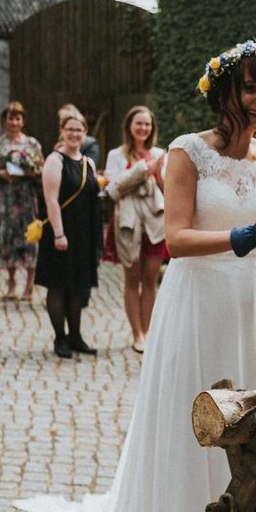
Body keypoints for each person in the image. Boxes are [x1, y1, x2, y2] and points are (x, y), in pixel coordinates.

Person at [16, 38, 256, 512]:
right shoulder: (186, 152)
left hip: (244, 303)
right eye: (249, 87)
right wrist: (236, 238)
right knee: (190, 424)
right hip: (194, 301)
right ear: (225, 90)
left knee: (250, 426)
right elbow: (174, 237)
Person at [36, 111, 102, 358]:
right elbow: (51, 200)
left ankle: (76, 336)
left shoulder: (89, 163)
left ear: (85, 133)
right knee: (59, 285)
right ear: (62, 132)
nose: (74, 134)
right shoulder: (55, 160)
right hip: (61, 231)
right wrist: (58, 234)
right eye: (70, 129)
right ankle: (60, 338)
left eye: (79, 130)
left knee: (79, 286)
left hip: (84, 232)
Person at [104, 105, 166, 353]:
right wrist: (142, 171)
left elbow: (166, 187)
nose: (143, 128)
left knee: (150, 278)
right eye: (139, 123)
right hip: (128, 221)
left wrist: (156, 174)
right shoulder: (116, 155)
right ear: (129, 126)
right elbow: (113, 191)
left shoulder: (159, 154)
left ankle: (148, 331)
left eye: (147, 124)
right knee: (132, 278)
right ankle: (136, 333)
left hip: (154, 219)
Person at [0, 101, 45, 300]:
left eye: (18, 118)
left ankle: (30, 284)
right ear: (4, 121)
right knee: (7, 237)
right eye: (10, 118)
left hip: (26, 196)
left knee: (29, 237)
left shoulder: (32, 144)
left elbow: (42, 171)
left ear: (23, 121)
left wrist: (30, 171)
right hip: (6, 197)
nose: (14, 122)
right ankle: (11, 281)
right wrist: (1, 174)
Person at [57, 102, 100, 166]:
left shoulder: (91, 144)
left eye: (66, 118)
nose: (62, 121)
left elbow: (89, 168)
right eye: (61, 119)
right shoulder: (58, 145)